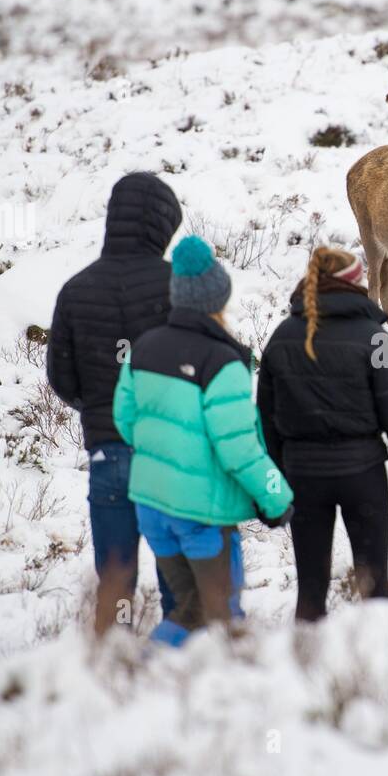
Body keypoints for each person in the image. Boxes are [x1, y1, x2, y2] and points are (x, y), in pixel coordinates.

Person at [114, 235, 293, 645]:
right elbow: (239, 447)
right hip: (202, 516)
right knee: (220, 617)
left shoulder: (143, 348)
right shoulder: (223, 361)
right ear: (218, 299)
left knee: (187, 609)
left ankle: (149, 685)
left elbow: (126, 421)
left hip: (152, 506)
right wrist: (277, 497)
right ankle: (145, 677)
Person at [257, 246, 388, 622]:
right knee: (374, 588)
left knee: (310, 591)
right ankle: (374, 671)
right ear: (355, 285)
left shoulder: (281, 338)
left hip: (304, 480)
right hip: (363, 477)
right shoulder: (377, 340)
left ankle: (303, 669)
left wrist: (276, 486)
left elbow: (266, 426)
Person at [46, 172, 179, 634]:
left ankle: (112, 671)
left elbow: (61, 378)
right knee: (178, 576)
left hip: (108, 453)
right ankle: (180, 662)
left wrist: (98, 406)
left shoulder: (75, 289)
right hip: (168, 455)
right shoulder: (176, 286)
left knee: (116, 579)